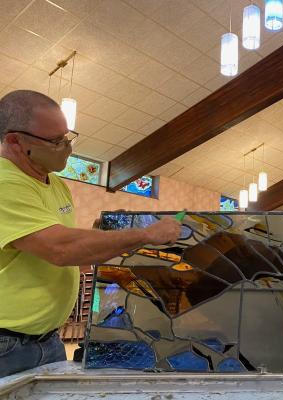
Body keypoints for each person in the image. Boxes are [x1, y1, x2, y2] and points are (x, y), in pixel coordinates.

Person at [0, 90, 181, 378]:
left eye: (68, 137)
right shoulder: (5, 183)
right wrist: (145, 235)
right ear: (14, 140)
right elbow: (60, 249)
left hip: (47, 338)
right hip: (7, 344)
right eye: (56, 141)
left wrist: (108, 243)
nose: (67, 149)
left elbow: (63, 252)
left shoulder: (54, 183)